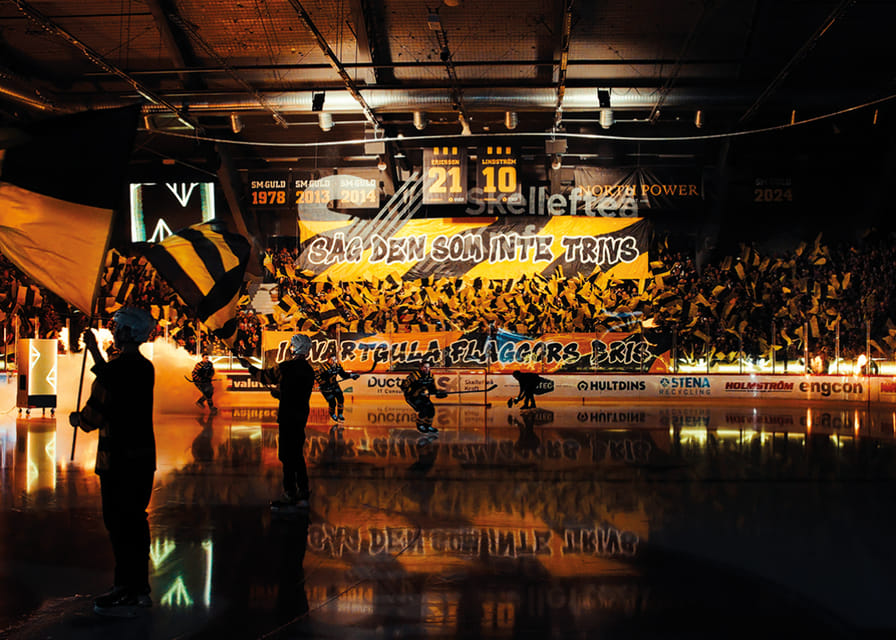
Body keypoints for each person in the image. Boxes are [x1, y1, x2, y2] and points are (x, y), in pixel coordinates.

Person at [69, 307, 156, 618]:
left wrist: (78, 419)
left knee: (120, 526)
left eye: (118, 328)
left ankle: (125, 588)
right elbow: (114, 380)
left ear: (129, 333)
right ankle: (139, 588)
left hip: (118, 461)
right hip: (144, 461)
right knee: (135, 522)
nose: (114, 333)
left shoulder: (120, 370)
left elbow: (96, 413)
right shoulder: (145, 368)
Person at [239, 334, 315, 511]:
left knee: (287, 456)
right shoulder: (309, 371)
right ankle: (303, 492)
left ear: (294, 348)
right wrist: (281, 394)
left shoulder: (286, 367)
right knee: (297, 454)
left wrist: (249, 367)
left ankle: (290, 494)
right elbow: (298, 393)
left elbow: (264, 377)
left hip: (288, 416)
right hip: (301, 416)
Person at [400, 361, 447, 434]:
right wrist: (415, 392)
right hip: (412, 397)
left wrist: (439, 393)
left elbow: (432, 389)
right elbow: (404, 386)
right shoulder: (414, 376)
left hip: (423, 396)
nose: (427, 369)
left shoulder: (431, 376)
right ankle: (420, 425)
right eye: (425, 367)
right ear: (421, 368)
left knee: (431, 410)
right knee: (423, 410)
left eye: (428, 367)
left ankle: (428, 426)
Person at [314, 355, 359, 422]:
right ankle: (332, 414)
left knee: (341, 399)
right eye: (332, 360)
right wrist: (322, 382)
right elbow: (316, 376)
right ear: (328, 359)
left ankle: (340, 414)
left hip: (335, 385)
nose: (333, 361)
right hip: (326, 388)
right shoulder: (323, 368)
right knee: (332, 402)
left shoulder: (337, 366)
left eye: (335, 360)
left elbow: (343, 375)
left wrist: (352, 376)